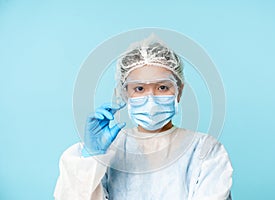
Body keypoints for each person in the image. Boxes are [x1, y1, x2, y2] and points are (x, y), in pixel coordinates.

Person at [54, 35, 233, 200]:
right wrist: (92, 157)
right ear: (125, 94)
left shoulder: (205, 151)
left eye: (162, 87)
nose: (151, 99)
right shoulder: (111, 150)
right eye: (139, 88)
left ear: (179, 91)